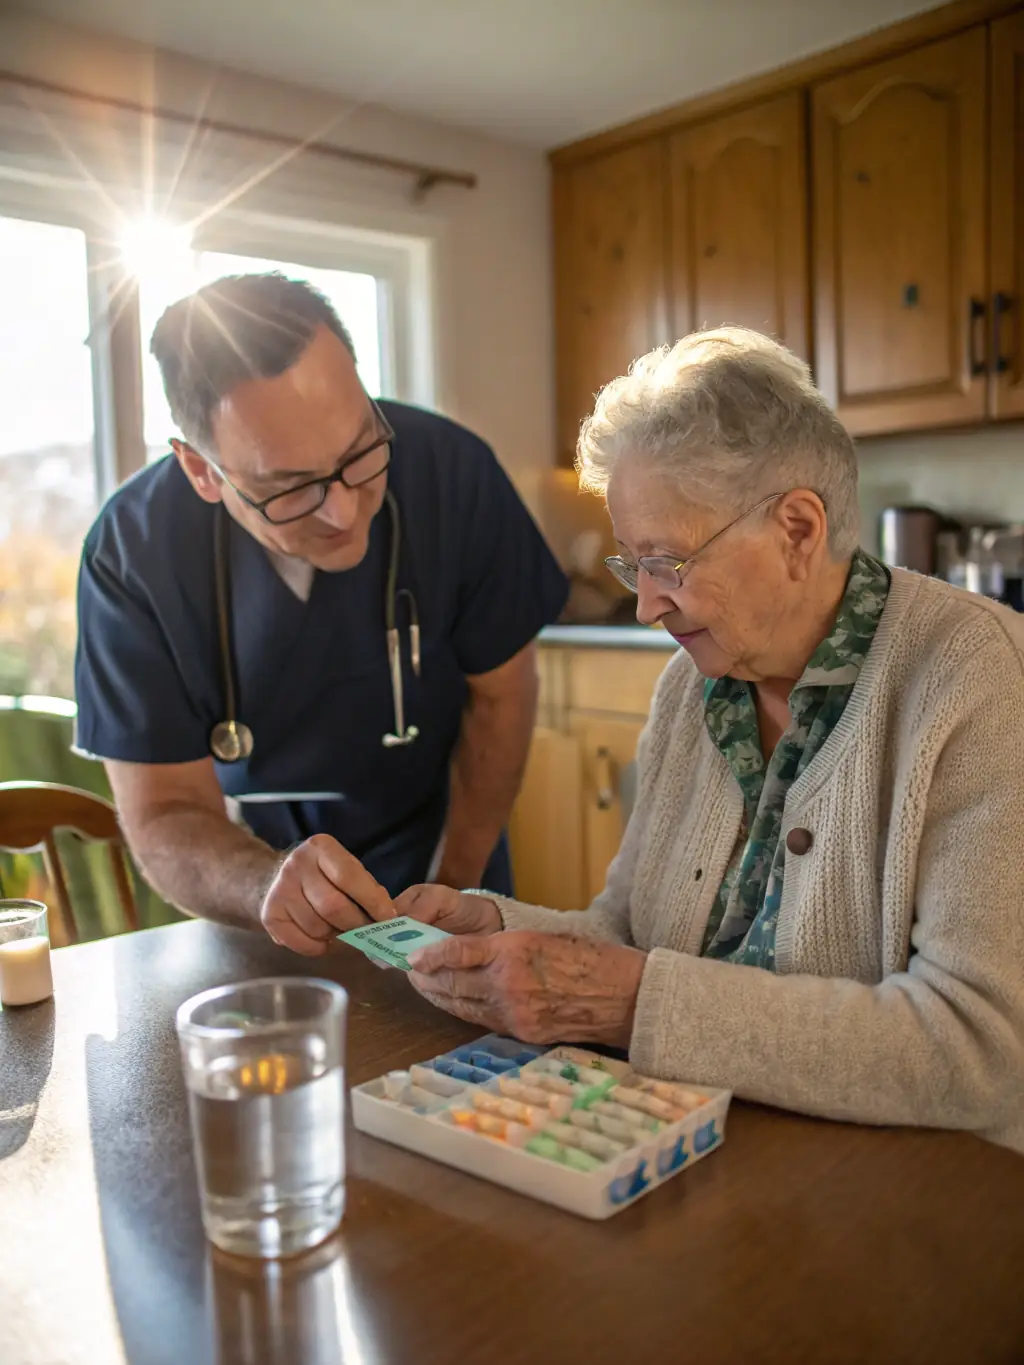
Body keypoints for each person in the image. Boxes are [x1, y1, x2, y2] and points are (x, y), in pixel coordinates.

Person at [396, 327, 1024, 1153]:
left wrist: (632, 1005)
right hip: (696, 1149)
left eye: (667, 562)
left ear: (798, 530)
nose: (645, 606)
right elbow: (628, 929)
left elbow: (976, 1049)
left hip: (906, 1195)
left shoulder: (978, 676)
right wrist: (493, 926)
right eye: (633, 566)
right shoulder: (692, 686)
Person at [75, 273, 567, 954]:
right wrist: (265, 884)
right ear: (201, 471)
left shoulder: (455, 475)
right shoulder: (132, 553)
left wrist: (451, 890)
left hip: (446, 852)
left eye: (360, 452)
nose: (344, 511)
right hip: (252, 889)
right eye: (290, 488)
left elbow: (502, 702)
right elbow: (163, 810)